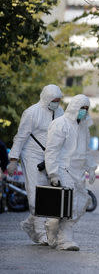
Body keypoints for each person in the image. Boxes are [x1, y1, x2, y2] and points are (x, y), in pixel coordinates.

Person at [6, 84, 64, 245]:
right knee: (35, 195)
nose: (56, 103)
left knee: (50, 195)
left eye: (59, 100)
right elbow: (21, 136)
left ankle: (33, 225)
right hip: (32, 155)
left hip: (51, 156)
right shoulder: (32, 113)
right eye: (54, 100)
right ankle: (40, 234)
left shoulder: (60, 112)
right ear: (46, 99)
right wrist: (13, 159)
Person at [44, 94, 97, 251]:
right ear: (75, 107)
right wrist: (53, 173)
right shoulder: (60, 124)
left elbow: (86, 151)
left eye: (87, 109)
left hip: (78, 172)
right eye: (82, 108)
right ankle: (54, 230)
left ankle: (65, 239)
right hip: (63, 169)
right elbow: (52, 150)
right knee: (65, 206)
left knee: (78, 204)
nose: (84, 111)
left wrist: (91, 168)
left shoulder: (83, 127)